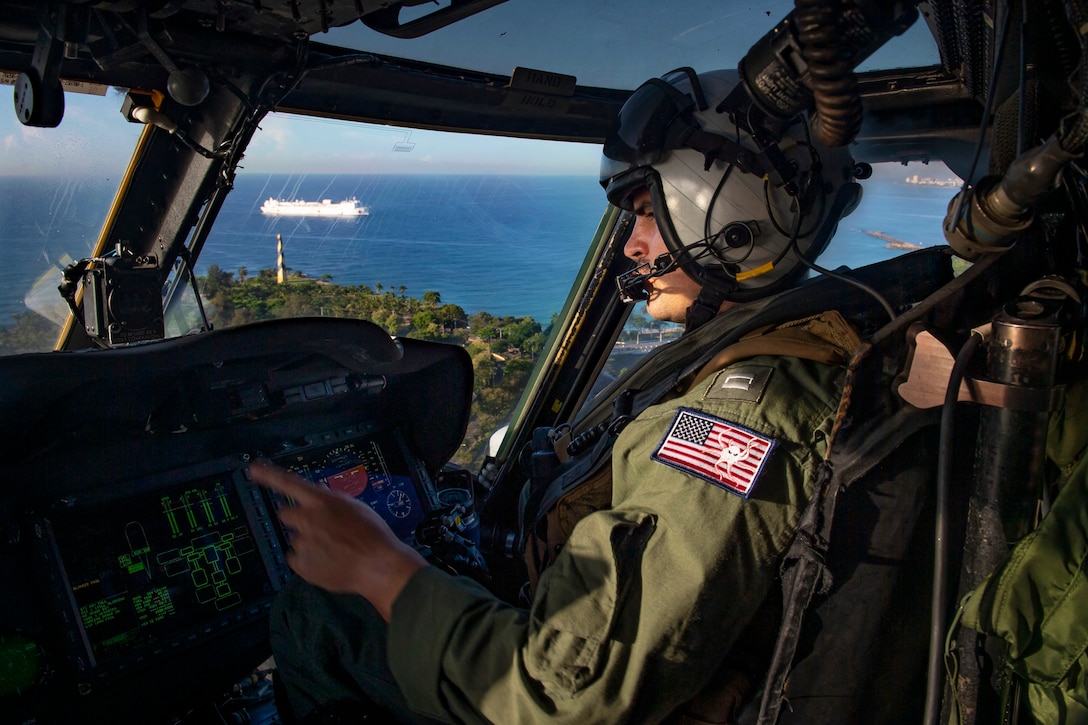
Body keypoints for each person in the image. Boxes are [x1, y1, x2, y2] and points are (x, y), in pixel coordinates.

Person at [254, 67, 941, 724]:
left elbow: (565, 694)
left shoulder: (743, 408)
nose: (632, 247)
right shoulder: (794, 348)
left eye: (648, 211)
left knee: (319, 615)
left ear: (728, 214)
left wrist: (381, 567)